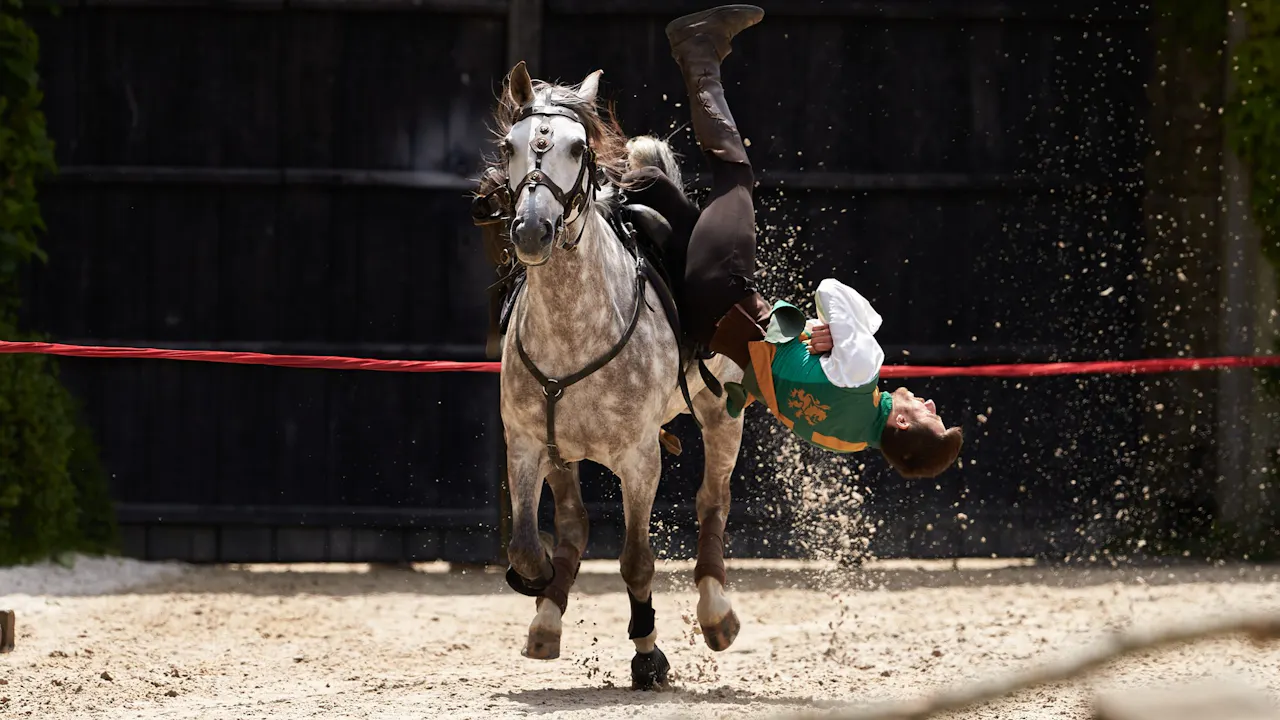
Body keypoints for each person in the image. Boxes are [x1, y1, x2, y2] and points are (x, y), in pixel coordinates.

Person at [620, 4, 965, 478]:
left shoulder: (865, 364)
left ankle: (697, 47)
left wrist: (853, 330)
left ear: (902, 422)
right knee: (658, 190)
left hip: (726, 289)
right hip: (706, 325)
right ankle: (604, 183)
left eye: (930, 413)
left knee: (736, 173)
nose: (928, 400)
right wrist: (821, 340)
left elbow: (828, 289)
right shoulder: (843, 439)